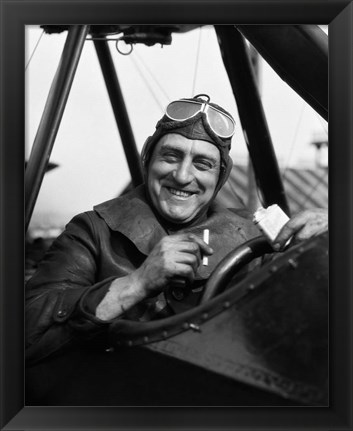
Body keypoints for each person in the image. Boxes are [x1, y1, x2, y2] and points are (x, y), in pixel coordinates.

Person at [25, 94, 328, 365]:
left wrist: (329, 244)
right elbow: (25, 334)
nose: (183, 176)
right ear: (147, 160)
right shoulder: (92, 230)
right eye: (170, 157)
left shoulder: (251, 236)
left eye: (203, 164)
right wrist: (135, 285)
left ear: (220, 176)